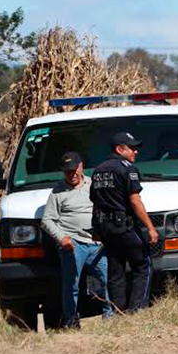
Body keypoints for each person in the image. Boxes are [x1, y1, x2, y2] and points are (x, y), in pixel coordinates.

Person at [90, 132, 160, 313]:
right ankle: (138, 310)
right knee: (143, 265)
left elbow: (95, 202)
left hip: (106, 228)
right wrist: (151, 228)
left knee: (116, 270)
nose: (136, 152)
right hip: (125, 226)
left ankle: (119, 311)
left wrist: (96, 228)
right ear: (119, 149)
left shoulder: (98, 170)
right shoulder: (127, 168)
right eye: (132, 148)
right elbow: (135, 201)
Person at [41, 151, 111, 328]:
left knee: (106, 280)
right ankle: (71, 320)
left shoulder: (93, 185)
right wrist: (62, 238)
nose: (71, 174)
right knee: (71, 284)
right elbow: (47, 220)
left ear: (81, 167)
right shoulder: (57, 192)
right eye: (67, 172)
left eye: (74, 170)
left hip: (96, 243)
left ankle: (110, 318)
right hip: (73, 243)